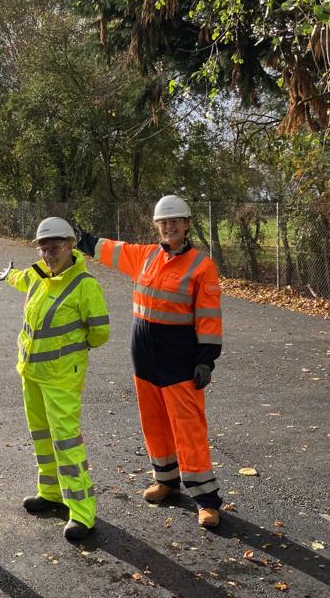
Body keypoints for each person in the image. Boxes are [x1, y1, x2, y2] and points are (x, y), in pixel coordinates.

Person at [75, 194, 224, 529]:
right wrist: (83, 239)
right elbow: (113, 250)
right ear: (157, 226)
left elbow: (209, 316)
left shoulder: (202, 266)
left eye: (175, 222)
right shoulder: (145, 256)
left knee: (188, 428)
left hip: (179, 359)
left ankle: (205, 498)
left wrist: (206, 359)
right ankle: (167, 481)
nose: (169, 227)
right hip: (144, 356)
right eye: (163, 222)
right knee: (154, 421)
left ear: (187, 225)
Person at [0, 217, 110, 541]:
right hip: (31, 372)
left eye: (54, 246)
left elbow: (100, 333)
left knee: (66, 442)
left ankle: (83, 513)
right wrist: (8, 276)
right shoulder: (37, 276)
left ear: (71, 246)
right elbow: (21, 278)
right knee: (42, 438)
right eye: (43, 247)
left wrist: (70, 350)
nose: (48, 253)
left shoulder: (85, 285)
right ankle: (51, 493)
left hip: (61, 378)